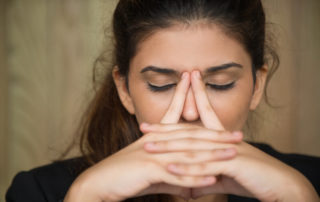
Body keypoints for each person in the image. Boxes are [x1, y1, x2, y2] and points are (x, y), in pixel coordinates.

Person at [6, 0, 320, 201]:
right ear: (125, 90)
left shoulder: (310, 183)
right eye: (162, 84)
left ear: (256, 86)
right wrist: (85, 197)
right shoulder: (41, 193)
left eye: (219, 83)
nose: (190, 111)